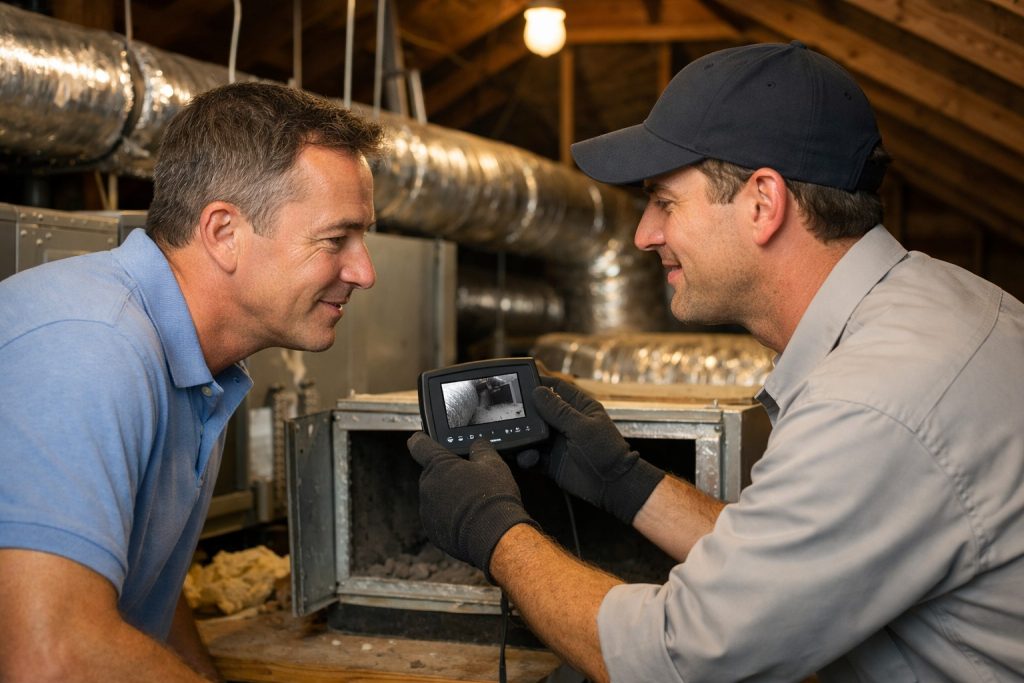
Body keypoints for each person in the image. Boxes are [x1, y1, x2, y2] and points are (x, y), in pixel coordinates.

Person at [408, 41, 1024, 682]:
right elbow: (792, 562)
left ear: (763, 203)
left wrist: (493, 530)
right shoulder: (945, 306)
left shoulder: (872, 402)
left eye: (664, 201)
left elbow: (674, 660)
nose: (645, 233)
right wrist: (626, 481)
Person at [0, 82, 383, 681]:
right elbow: (54, 657)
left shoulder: (199, 367)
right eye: (337, 239)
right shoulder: (91, 347)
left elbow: (136, 575)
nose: (364, 271)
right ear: (224, 233)